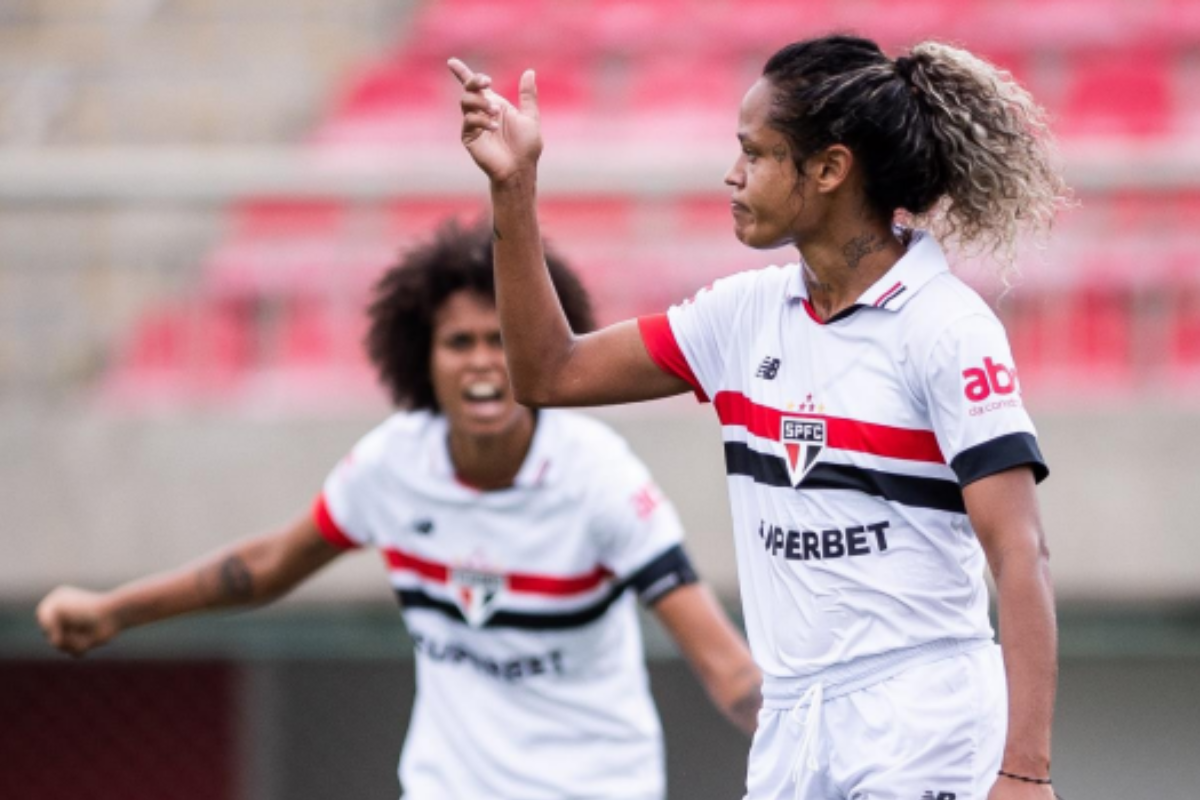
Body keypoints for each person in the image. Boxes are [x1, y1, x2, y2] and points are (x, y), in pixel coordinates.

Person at [450, 32, 1069, 800]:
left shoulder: (946, 328)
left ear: (830, 169)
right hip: (792, 725)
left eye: (757, 153)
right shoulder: (743, 314)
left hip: (923, 721)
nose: (732, 174)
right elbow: (548, 371)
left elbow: (1019, 552)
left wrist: (1025, 770)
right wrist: (514, 189)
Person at [36, 220, 762, 800]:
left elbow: (726, 669)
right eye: (459, 343)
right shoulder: (392, 466)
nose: (483, 361)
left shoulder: (598, 476)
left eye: (503, 341)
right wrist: (114, 612)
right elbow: (263, 568)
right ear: (422, 357)